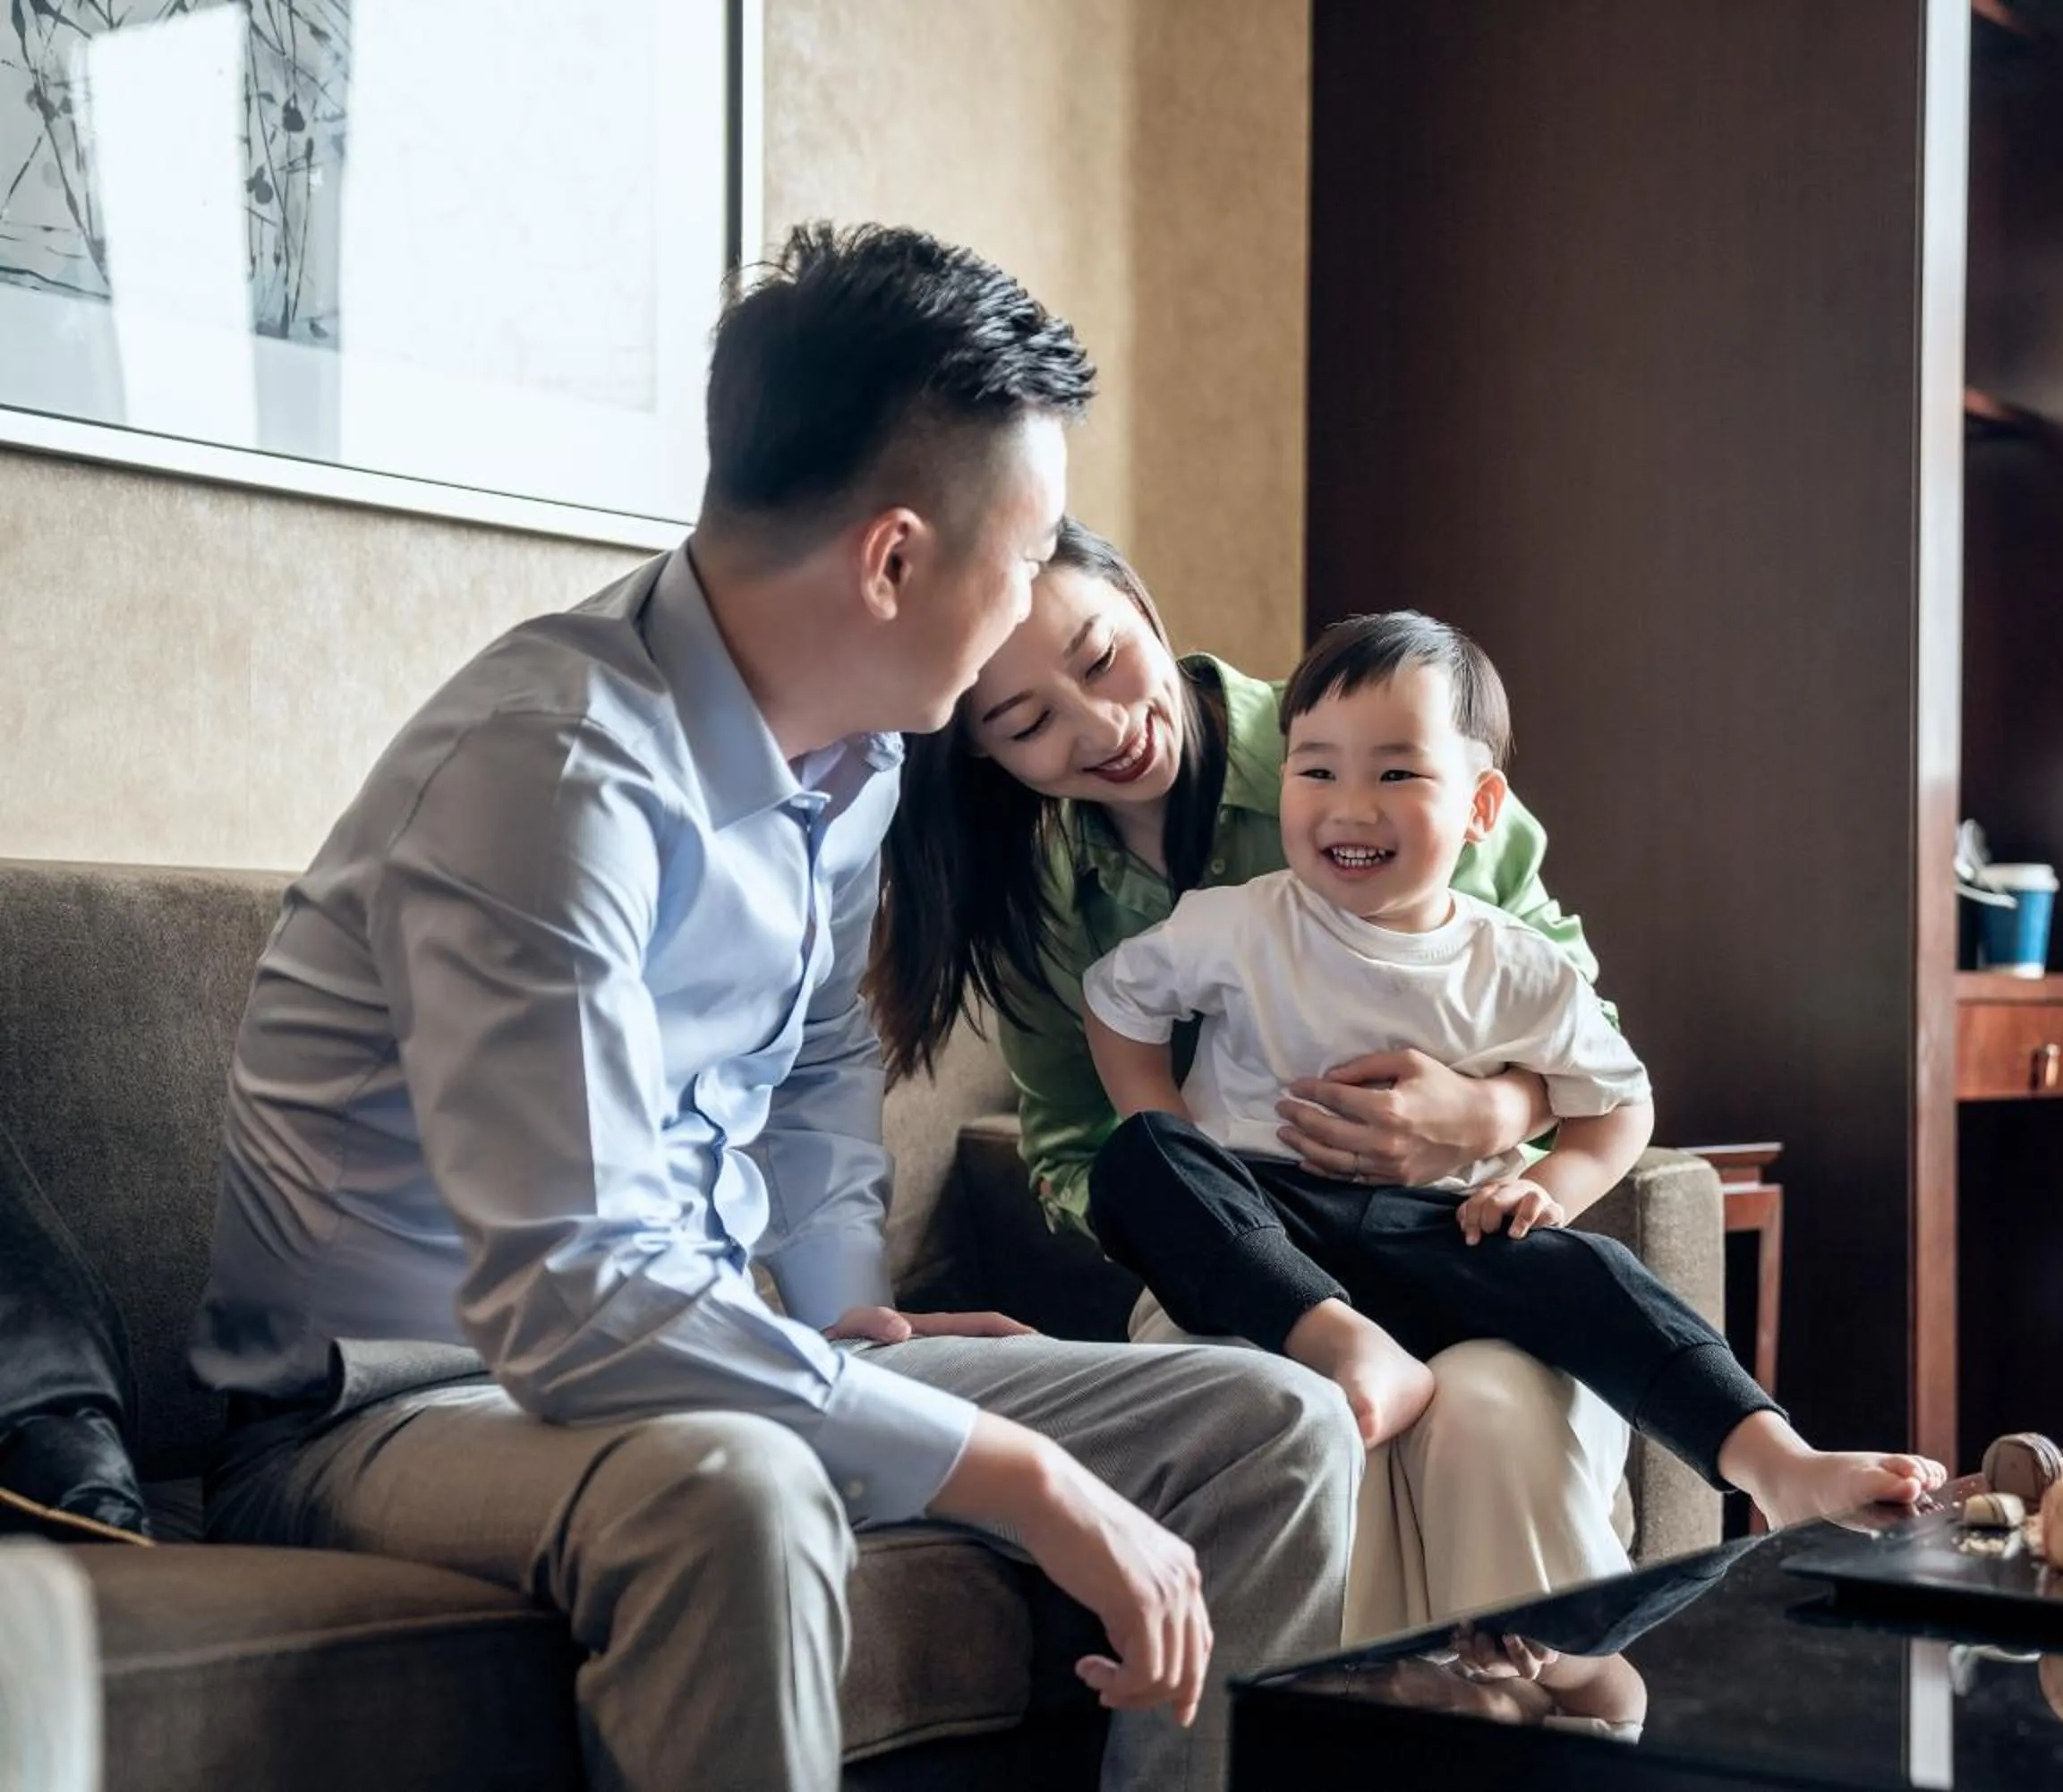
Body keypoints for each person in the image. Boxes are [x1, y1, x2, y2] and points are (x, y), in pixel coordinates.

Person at [189, 223, 1360, 1792]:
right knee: (740, 1486)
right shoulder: (555, 773)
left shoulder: (857, 752)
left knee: (1270, 1426)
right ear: (892, 557)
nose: (1036, 591)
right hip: (393, 1406)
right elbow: (577, 1296)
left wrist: (832, 1311)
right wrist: (1019, 1473)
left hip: (689, 1340)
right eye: (1026, 556)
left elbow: (815, 1056)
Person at [874, 525, 1637, 1638]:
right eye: (1028, 722)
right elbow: (1079, 1152)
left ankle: (1553, 1731)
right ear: (982, 751)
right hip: (1235, 1290)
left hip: (1464, 1246)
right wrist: (1216, 1214)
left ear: (1139, 597)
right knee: (1303, 1427)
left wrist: (1488, 1110)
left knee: (1495, 1417)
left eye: (1099, 658)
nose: (1102, 725)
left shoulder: (1382, 734)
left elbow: (1582, 1032)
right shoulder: (1044, 906)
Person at [1078, 611, 1947, 1532]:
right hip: (1266, 1215)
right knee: (1139, 1161)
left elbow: (1618, 1102)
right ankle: (1340, 1343)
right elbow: (1116, 1001)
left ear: (1481, 808)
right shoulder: (1238, 922)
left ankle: (1776, 1462)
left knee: (1595, 1272)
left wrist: (1551, 1186)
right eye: (1317, 768)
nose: (1351, 805)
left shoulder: (1516, 964)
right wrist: (1170, 1126)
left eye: (1398, 772)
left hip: (1439, 1228)